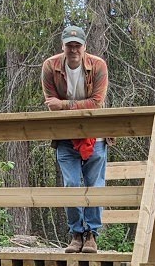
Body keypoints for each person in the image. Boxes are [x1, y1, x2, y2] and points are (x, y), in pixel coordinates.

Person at [41, 27, 109, 253]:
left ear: (84, 46)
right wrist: (67, 105)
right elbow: (50, 102)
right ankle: (76, 234)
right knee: (71, 185)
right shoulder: (51, 66)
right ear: (63, 46)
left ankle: (92, 234)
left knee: (95, 187)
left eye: (77, 45)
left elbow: (97, 102)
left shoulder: (98, 66)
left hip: (95, 134)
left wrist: (64, 105)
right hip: (65, 136)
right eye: (69, 45)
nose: (73, 49)